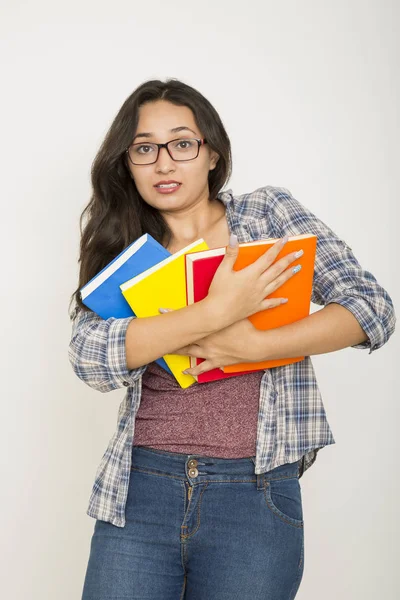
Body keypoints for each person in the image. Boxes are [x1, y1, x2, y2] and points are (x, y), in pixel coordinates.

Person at [68, 78, 396, 600]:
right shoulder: (125, 244)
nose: (163, 163)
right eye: (143, 149)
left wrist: (255, 347)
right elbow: (89, 358)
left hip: (256, 494)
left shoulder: (267, 214)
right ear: (126, 163)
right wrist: (215, 311)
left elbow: (372, 309)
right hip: (141, 488)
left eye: (181, 143)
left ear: (212, 154)